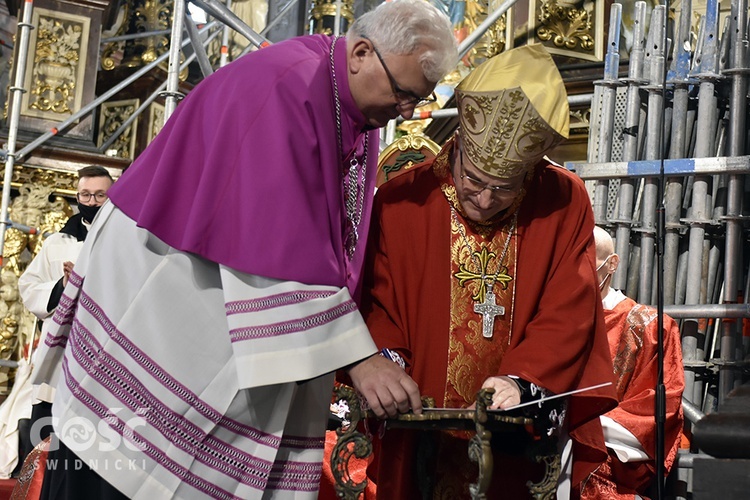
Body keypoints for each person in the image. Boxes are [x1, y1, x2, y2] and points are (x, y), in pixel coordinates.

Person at [28, 1, 458, 498]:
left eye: (419, 100)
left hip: (214, 305)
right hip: (168, 297)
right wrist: (360, 359)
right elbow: (275, 238)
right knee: (124, 461)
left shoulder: (347, 105)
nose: (407, 111)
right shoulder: (284, 86)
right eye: (404, 93)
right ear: (361, 52)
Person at [356, 44, 618, 499]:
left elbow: (570, 306)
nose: (483, 198)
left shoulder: (561, 200)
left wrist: (523, 378)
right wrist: (387, 361)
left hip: (513, 434)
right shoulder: (402, 202)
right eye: (473, 179)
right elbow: (380, 300)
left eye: (504, 187)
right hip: (420, 427)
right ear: (457, 148)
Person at [580, 226, 684, 499]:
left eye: (587, 259)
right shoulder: (553, 321)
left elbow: (659, 407)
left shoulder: (652, 326)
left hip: (610, 453)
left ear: (611, 264)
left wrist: (583, 427)